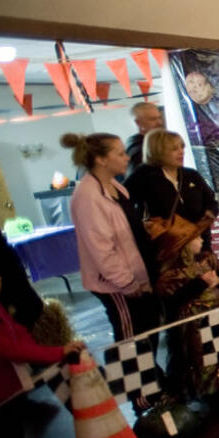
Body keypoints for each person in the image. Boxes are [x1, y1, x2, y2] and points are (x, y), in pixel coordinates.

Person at [0, 263, 84, 438]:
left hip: (12, 389)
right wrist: (56, 351)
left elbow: (20, 335)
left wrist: (50, 352)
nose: (0, 277)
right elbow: (10, 348)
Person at [63, 132, 158, 341]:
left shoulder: (115, 186)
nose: (127, 158)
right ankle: (133, 374)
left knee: (147, 331)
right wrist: (126, 282)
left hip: (135, 274)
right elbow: (101, 248)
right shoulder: (88, 196)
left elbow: (118, 226)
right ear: (101, 159)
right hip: (117, 284)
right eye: (121, 153)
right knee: (130, 338)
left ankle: (151, 373)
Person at [153, 217, 219, 397]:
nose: (202, 240)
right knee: (207, 354)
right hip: (197, 321)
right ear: (183, 245)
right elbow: (174, 298)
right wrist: (200, 284)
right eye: (196, 238)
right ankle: (213, 385)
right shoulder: (172, 275)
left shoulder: (206, 259)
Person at [124, 129, 217, 251]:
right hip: (169, 250)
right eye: (174, 149)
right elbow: (123, 203)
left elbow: (211, 202)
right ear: (158, 151)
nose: (181, 152)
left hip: (201, 245)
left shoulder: (191, 175)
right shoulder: (144, 177)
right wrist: (142, 226)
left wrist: (209, 215)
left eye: (182, 147)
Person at [125, 101, 164, 176]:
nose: (159, 123)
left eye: (159, 118)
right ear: (138, 123)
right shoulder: (137, 149)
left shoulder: (153, 142)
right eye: (153, 119)